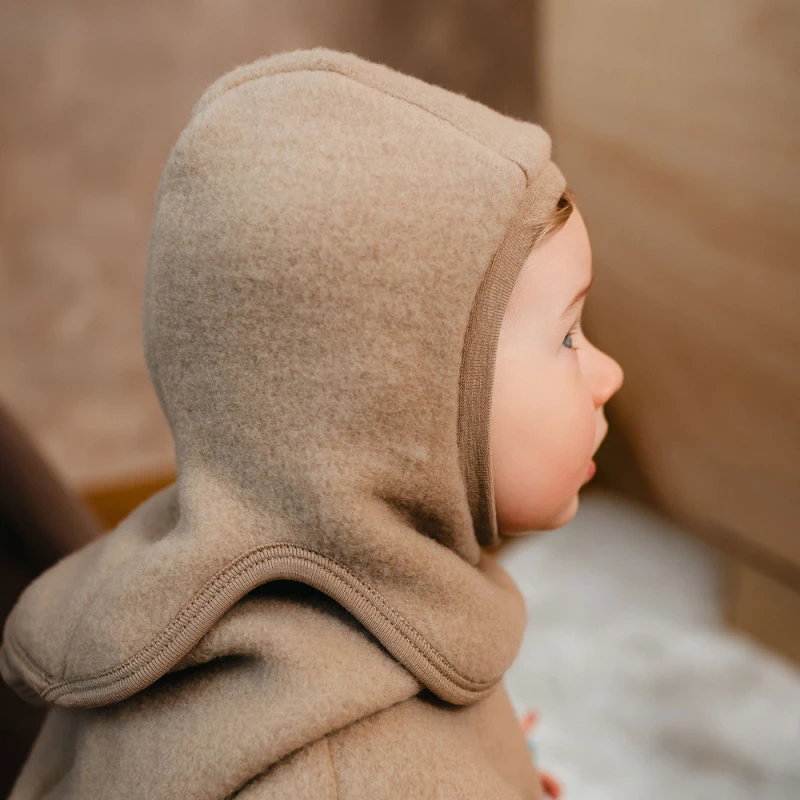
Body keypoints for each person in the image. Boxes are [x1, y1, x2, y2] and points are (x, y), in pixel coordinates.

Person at [1, 47, 623, 799]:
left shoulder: (235, 614)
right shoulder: (348, 776)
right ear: (399, 401)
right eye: (567, 337)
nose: (609, 375)